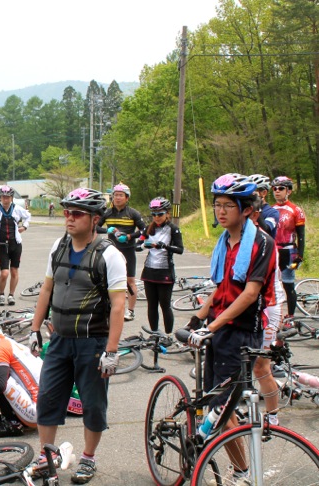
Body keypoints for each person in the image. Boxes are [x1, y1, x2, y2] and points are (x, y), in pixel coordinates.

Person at [29, 187, 127, 484]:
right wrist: (35, 329)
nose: (69, 218)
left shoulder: (109, 255)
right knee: (47, 400)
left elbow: (119, 304)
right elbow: (47, 289)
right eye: (67, 212)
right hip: (59, 340)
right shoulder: (58, 247)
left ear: (95, 219)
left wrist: (111, 351)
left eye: (77, 213)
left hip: (93, 343)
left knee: (93, 404)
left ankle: (88, 458)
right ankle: (47, 457)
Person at [188, 173, 277, 484]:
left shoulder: (261, 243)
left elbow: (250, 293)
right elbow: (222, 287)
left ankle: (237, 467)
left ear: (246, 209)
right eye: (217, 205)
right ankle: (240, 469)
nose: (220, 211)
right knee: (219, 407)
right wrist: (198, 318)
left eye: (228, 205)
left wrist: (210, 325)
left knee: (221, 408)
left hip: (242, 333)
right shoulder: (225, 241)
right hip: (219, 329)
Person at [248, 195, 285, 426]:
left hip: (269, 306)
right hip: (252, 306)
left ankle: (273, 416)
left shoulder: (263, 240)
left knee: (261, 366)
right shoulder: (235, 238)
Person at [97, 183, 146, 322]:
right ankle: (110, 307)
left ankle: (130, 311)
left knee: (130, 281)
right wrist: (108, 230)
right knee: (107, 280)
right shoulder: (107, 213)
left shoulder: (133, 213)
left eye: (120, 195)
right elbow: (94, 228)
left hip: (128, 250)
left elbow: (144, 230)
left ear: (127, 198)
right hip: (111, 251)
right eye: (115, 195)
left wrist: (130, 237)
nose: (117, 198)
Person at [140, 197, 184, 334]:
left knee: (165, 305)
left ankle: (168, 335)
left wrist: (164, 246)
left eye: (160, 214)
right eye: (153, 214)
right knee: (151, 305)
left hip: (165, 272)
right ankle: (154, 333)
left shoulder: (173, 229)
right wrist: (143, 245)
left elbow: (180, 249)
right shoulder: (149, 228)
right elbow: (137, 245)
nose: (157, 217)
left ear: (167, 214)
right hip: (149, 271)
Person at [270, 176, 306, 321]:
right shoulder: (271, 210)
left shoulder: (296, 210)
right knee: (270, 284)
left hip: (289, 251)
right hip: (273, 250)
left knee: (288, 285)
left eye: (281, 188)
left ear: (289, 191)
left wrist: (300, 256)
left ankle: (290, 316)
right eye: (274, 188)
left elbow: (301, 235)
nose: (277, 191)